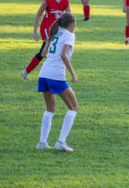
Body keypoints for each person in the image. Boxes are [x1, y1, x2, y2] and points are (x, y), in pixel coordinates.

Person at [36, 12, 78, 152]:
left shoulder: (56, 33)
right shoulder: (69, 35)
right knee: (74, 107)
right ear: (71, 24)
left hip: (44, 74)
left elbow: (43, 54)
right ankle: (61, 142)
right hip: (56, 75)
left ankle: (42, 142)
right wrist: (73, 74)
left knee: (50, 108)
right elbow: (63, 55)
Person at [21, 0, 71, 80]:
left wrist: (69, 32)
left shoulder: (65, 1)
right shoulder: (47, 1)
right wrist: (35, 32)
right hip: (46, 28)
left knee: (45, 52)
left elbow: (69, 17)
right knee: (47, 50)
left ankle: (26, 71)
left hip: (57, 29)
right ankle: (49, 74)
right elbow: (38, 15)